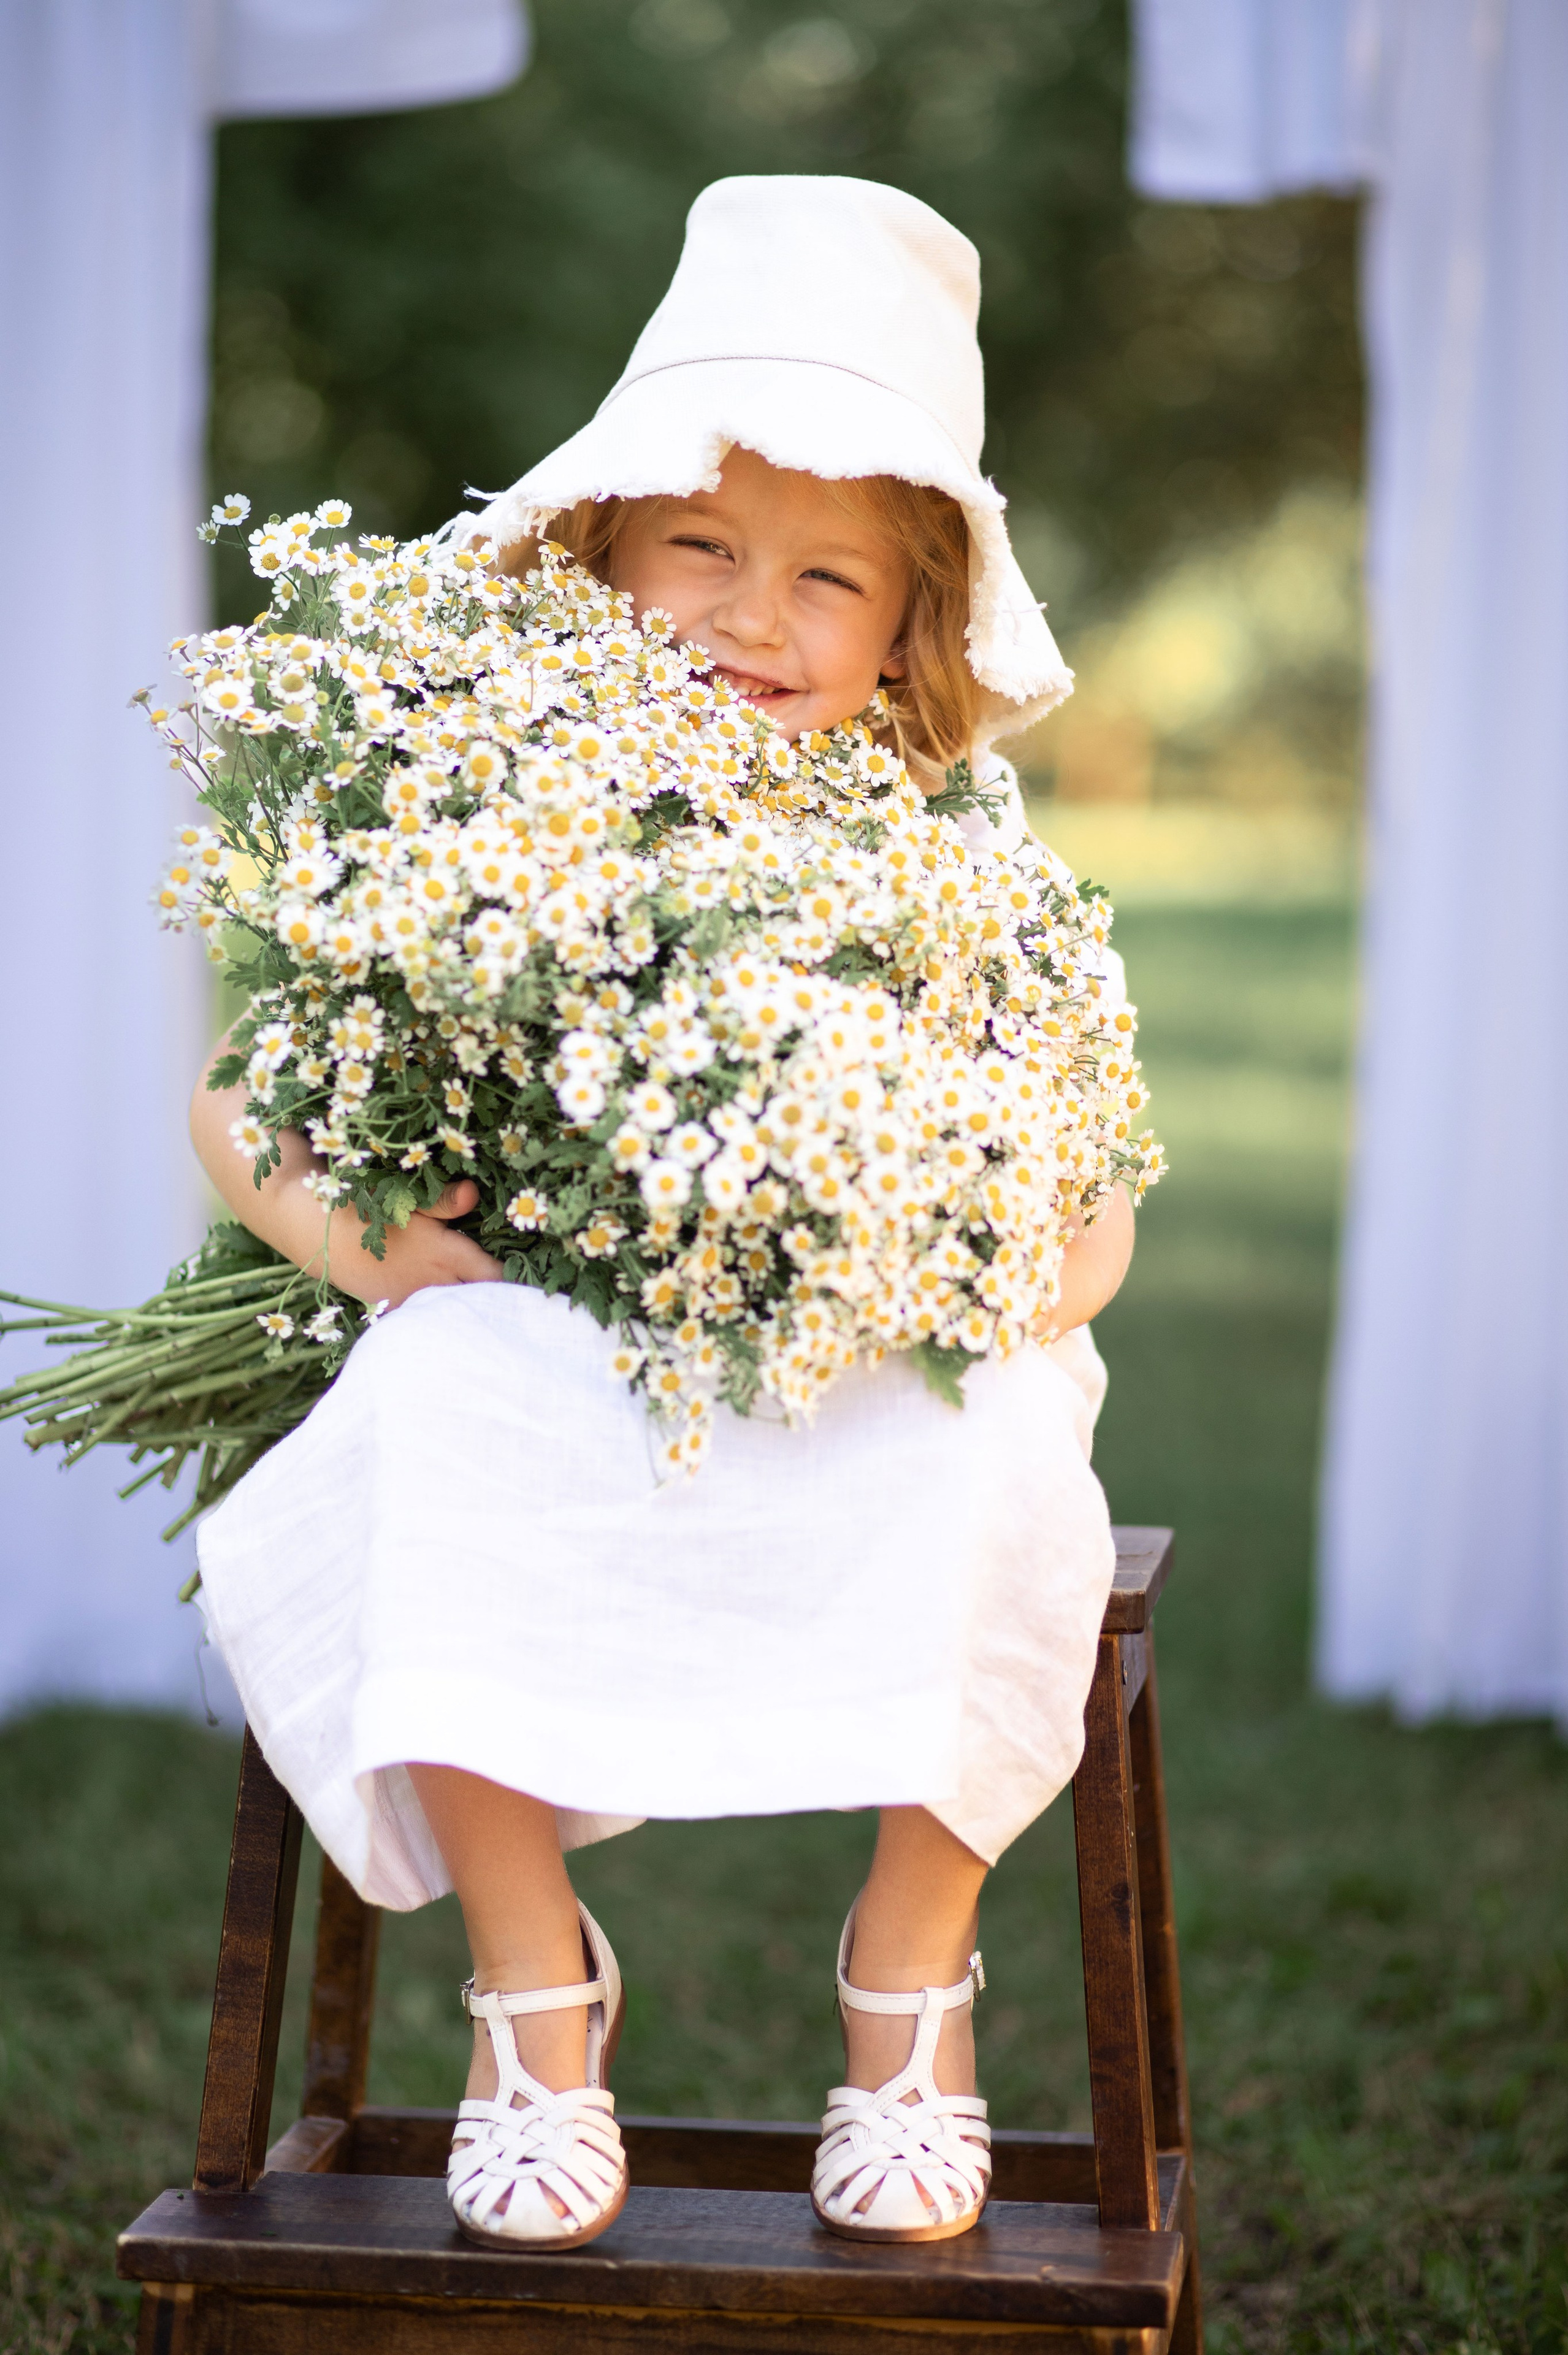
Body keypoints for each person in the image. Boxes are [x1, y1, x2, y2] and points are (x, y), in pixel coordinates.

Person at [191, 176, 1137, 2254]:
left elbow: (1089, 1202)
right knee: (445, 1398)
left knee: (999, 1440)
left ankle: (910, 1983)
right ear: (599, 557)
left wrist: (999, 1268)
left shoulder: (955, 853)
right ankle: (536, 1993)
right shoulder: (473, 801)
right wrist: (362, 1246)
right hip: (555, 1328)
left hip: (875, 1342)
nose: (752, 612)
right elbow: (250, 1094)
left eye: (829, 577)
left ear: (911, 627)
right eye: (697, 548)